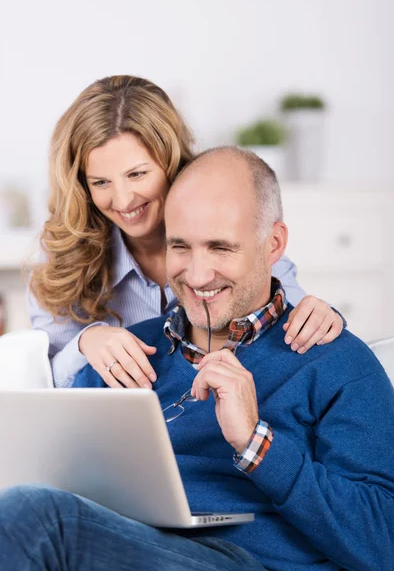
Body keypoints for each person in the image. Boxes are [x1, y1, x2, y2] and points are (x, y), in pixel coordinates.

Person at [3, 147, 394, 570]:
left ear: (274, 244)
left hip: (249, 561)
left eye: (220, 248)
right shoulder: (128, 353)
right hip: (120, 545)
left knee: (35, 519)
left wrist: (257, 443)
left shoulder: (335, 361)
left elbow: (387, 544)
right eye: (180, 246)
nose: (196, 275)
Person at [28, 75, 344, 389]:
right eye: (101, 182)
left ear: (170, 160)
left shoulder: (228, 222)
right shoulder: (64, 258)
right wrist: (86, 342)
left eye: (137, 174)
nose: (123, 200)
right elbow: (41, 384)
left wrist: (320, 316)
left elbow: (298, 318)